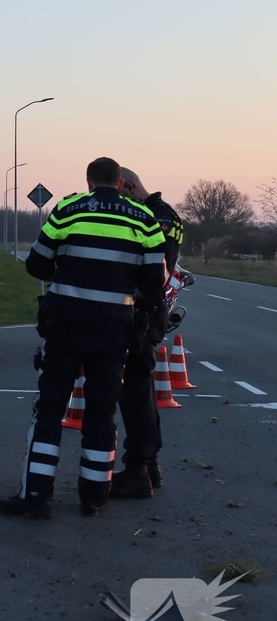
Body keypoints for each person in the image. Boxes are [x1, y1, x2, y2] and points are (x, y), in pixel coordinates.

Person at [0, 157, 167, 518]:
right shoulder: (144, 219)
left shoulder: (67, 210)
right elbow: (156, 283)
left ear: (89, 181)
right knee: (102, 413)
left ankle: (37, 497)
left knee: (49, 409)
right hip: (114, 331)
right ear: (121, 183)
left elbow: (36, 264)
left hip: (65, 327)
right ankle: (94, 497)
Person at [110, 167, 184, 499]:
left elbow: (157, 273)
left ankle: (138, 469)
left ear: (127, 186)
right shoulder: (145, 214)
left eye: (118, 190)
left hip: (144, 313)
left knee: (135, 391)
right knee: (140, 390)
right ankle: (148, 465)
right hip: (137, 311)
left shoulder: (161, 218)